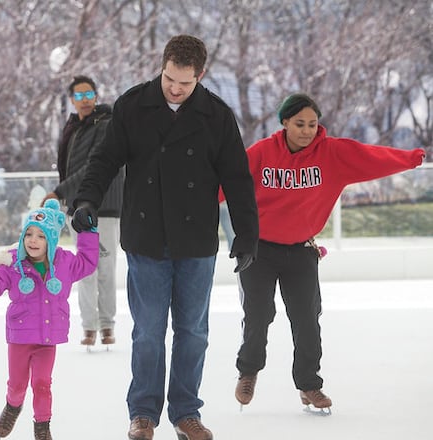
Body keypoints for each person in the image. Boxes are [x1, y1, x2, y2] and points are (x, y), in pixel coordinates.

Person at [70, 35, 259, 440]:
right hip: (147, 238)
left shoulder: (217, 116)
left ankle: (186, 412)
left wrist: (246, 235)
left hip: (195, 242)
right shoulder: (133, 106)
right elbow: (104, 160)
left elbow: (239, 180)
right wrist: (86, 200)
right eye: (170, 79)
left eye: (185, 83)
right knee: (149, 331)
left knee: (193, 332)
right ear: (163, 66)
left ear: (200, 76)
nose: (175, 88)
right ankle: (143, 413)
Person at [231, 93, 427, 414]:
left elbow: (371, 155)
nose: (307, 130)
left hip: (301, 250)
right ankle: (249, 371)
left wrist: (409, 158)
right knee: (259, 313)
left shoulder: (332, 154)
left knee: (307, 319)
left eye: (312, 124)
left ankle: (309, 384)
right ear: (284, 123)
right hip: (259, 249)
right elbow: (228, 183)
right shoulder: (262, 153)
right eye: (299, 124)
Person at [0, 199, 99, 440]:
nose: (33, 240)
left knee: (42, 383)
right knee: (17, 386)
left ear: (53, 240)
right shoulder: (13, 265)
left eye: (41, 236)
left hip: (47, 340)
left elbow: (88, 263)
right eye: (29, 234)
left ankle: (42, 428)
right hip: (20, 338)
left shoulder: (64, 263)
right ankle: (13, 406)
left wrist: (88, 233)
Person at [42, 75, 123, 348]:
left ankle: (107, 325)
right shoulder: (74, 127)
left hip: (106, 205)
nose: (85, 100)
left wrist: (60, 190)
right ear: (71, 100)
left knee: (106, 267)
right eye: (78, 96)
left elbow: (93, 165)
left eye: (89, 94)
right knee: (84, 269)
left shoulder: (106, 124)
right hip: (80, 208)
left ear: (96, 95)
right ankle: (89, 326)